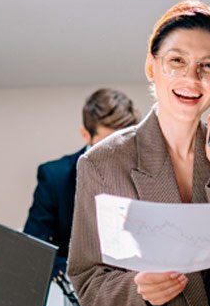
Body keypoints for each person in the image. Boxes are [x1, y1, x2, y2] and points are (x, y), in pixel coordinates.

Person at [67, 0, 210, 306]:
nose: (191, 78)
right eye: (176, 61)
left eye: (208, 66)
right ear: (152, 67)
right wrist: (138, 290)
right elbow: (87, 284)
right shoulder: (102, 163)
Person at [24, 88, 139, 276]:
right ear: (85, 134)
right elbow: (34, 248)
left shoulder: (148, 172)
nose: (118, 152)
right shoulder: (54, 177)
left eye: (125, 140)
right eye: (108, 143)